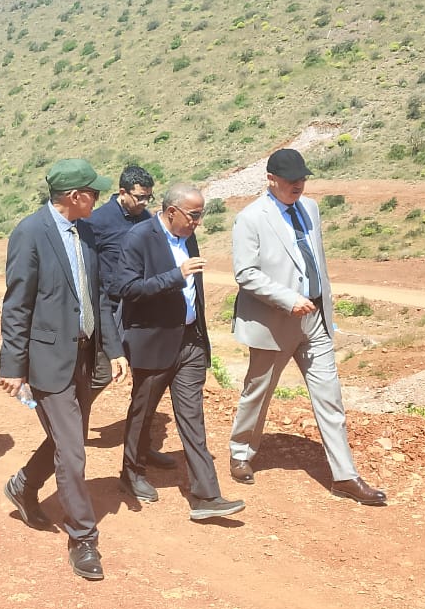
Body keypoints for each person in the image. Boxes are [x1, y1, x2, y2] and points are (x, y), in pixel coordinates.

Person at [227, 149, 386, 506]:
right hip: (274, 320)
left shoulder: (310, 208)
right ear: (271, 179)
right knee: (258, 391)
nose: (297, 185)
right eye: (290, 180)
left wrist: (320, 302)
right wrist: (287, 299)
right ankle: (241, 452)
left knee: (330, 396)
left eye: (301, 178)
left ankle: (344, 476)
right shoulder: (250, 218)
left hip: (315, 317)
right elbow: (246, 273)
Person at [0, 159, 128, 581]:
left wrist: (113, 349)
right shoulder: (30, 233)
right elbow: (17, 305)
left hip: (84, 357)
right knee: (73, 451)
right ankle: (83, 538)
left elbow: (100, 297)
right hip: (47, 361)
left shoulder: (85, 232)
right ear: (75, 196)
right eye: (94, 192)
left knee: (64, 440)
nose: (99, 198)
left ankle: (23, 485)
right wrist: (13, 365)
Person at [116, 184, 245, 521]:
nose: (198, 222)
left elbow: (194, 290)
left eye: (201, 215)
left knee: (192, 417)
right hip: (154, 341)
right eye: (194, 215)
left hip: (189, 341)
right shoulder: (139, 238)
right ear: (172, 211)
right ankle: (131, 472)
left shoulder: (188, 236)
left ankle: (206, 496)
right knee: (143, 412)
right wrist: (175, 276)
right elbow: (127, 289)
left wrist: (199, 333)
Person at [87, 164, 175, 468]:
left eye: (149, 197)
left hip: (140, 307)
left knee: (146, 379)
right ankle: (68, 426)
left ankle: (141, 448)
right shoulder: (97, 221)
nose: (144, 203)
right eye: (139, 197)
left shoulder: (147, 219)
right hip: (108, 308)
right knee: (102, 373)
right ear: (122, 192)